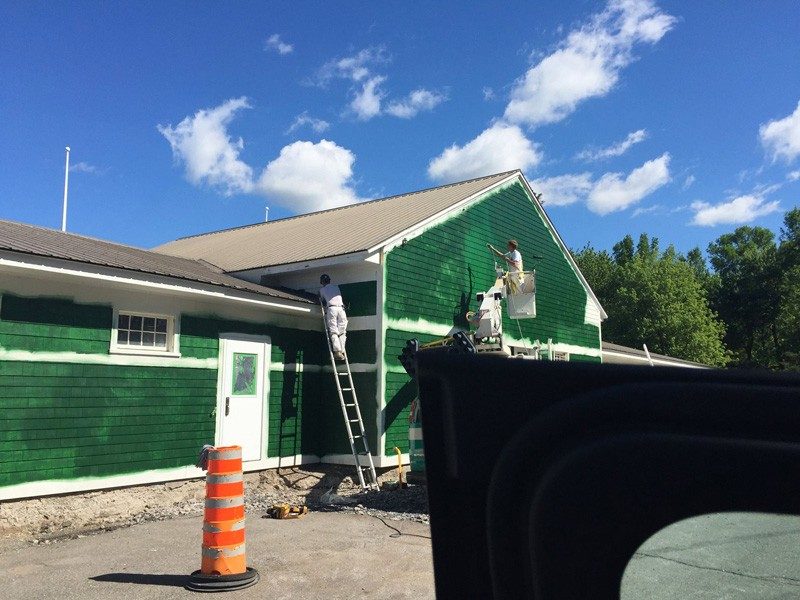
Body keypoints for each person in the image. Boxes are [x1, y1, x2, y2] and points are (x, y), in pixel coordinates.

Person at [319, 274, 347, 361]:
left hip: (332, 309)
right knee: (342, 332)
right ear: (329, 280)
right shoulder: (336, 287)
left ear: (322, 282)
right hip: (341, 309)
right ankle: (342, 351)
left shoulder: (322, 289)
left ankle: (337, 352)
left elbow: (321, 298)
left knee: (333, 331)